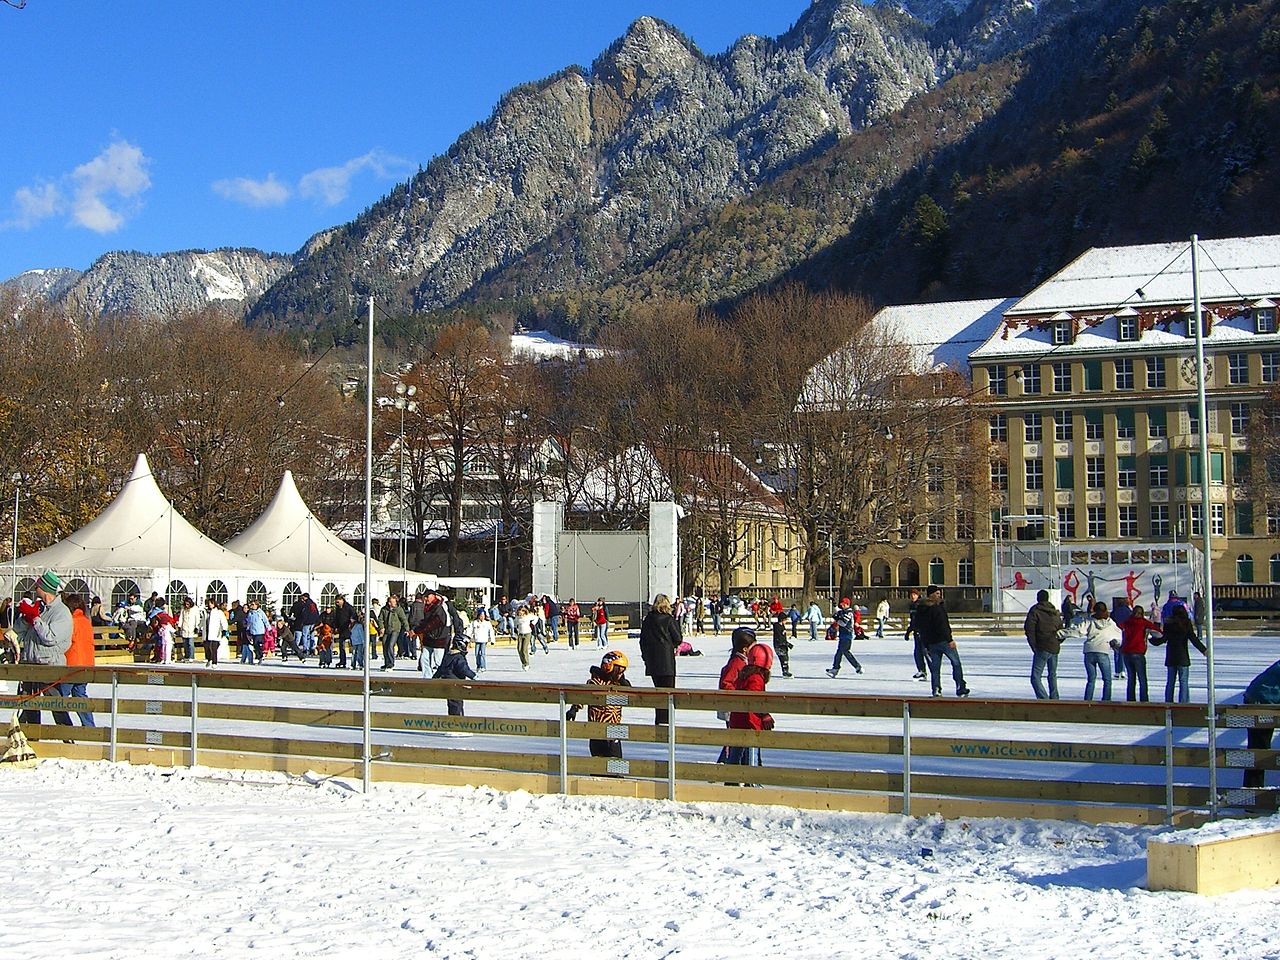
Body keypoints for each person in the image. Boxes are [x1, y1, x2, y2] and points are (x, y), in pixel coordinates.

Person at [15, 570, 73, 725]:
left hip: (50, 667)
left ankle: (68, 738)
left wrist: (35, 619)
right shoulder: (39, 608)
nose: (35, 588)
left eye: (38, 585)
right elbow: (18, 632)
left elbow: (50, 638)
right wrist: (26, 618)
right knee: (28, 705)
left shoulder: (62, 613)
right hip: (30, 664)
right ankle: (32, 740)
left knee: (56, 705)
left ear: (45, 588)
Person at [566, 650, 632, 760]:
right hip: (596, 728)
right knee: (598, 761)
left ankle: (617, 776)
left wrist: (623, 681)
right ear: (610, 667)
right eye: (619, 670)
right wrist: (574, 709)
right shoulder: (595, 683)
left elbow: (632, 693)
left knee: (616, 762)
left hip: (614, 730)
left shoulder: (618, 683)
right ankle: (597, 775)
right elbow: (583, 696)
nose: (621, 674)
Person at [726, 643, 775, 772]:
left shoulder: (745, 674)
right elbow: (755, 699)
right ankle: (751, 780)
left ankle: (732, 779)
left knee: (736, 752)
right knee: (751, 752)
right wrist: (764, 714)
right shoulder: (756, 678)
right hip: (749, 722)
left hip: (738, 720)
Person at [916, 585, 969, 698]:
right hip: (943, 641)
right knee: (956, 663)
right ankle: (960, 686)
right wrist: (949, 639)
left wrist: (925, 643)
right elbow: (943, 625)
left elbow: (920, 626)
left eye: (939, 594)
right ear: (931, 595)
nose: (939, 596)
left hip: (931, 643)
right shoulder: (937, 608)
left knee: (935, 669)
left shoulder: (921, 608)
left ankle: (936, 689)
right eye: (937, 594)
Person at [639, 593, 681, 725]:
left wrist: (646, 657)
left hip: (653, 662)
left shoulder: (648, 620)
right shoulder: (668, 619)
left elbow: (642, 641)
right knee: (669, 695)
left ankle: (659, 722)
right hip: (667, 662)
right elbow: (678, 638)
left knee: (658, 694)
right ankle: (667, 724)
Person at [1150, 605, 1206, 703]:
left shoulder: (1169, 623)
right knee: (1183, 682)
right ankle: (1184, 703)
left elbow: (1164, 638)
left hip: (1171, 656)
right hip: (1183, 656)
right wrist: (1204, 650)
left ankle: (1168, 702)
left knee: (1170, 682)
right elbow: (1193, 638)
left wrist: (1153, 641)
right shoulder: (1186, 623)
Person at [716, 627, 754, 762]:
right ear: (745, 649)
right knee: (734, 739)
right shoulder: (737, 663)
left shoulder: (743, 661)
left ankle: (725, 762)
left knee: (735, 739)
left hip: (736, 706)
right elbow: (726, 683)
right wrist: (739, 693)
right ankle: (726, 764)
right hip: (731, 706)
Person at [1243, 658, 1280, 788]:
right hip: (1261, 702)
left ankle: (1252, 793)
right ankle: (1253, 795)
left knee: (1257, 748)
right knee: (1259, 748)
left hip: (1256, 697)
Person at [62, 595, 96, 727]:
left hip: (72, 664)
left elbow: (65, 641)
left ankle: (65, 728)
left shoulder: (71, 621)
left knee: (59, 699)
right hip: (86, 664)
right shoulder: (86, 621)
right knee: (80, 695)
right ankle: (89, 726)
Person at [1024, 588, 1063, 700]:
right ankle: (1055, 698)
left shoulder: (1035, 611)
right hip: (1054, 646)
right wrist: (1058, 641)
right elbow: (1061, 630)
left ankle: (1043, 699)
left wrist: (1034, 646)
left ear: (1038, 598)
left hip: (1042, 646)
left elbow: (1029, 629)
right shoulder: (1054, 611)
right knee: (1052, 675)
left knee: (1035, 677)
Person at [1119, 604, 1161, 702]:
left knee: (1131, 678)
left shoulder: (1127, 622)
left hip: (1127, 652)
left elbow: (1118, 628)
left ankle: (1131, 700)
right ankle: (1144, 700)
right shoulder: (1144, 623)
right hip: (1138, 652)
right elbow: (1158, 633)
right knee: (1142, 678)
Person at [1081, 601, 1121, 702]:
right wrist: (1116, 642)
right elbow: (1119, 635)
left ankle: (1087, 701)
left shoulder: (1089, 621)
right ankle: (1106, 700)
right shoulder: (1110, 623)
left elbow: (1079, 631)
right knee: (1107, 680)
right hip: (1103, 651)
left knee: (1091, 679)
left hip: (1089, 651)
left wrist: (1061, 634)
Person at [432, 637, 477, 715]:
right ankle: (457, 721)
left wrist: (435, 678)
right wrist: (474, 676)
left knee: (452, 703)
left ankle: (454, 718)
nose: (468, 648)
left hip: (448, 684)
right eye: (467, 645)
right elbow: (464, 669)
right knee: (457, 704)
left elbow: (441, 668)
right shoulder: (458, 657)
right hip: (456, 685)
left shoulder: (448, 655)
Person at [825, 597, 863, 678]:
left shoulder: (849, 613)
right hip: (843, 636)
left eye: (843, 605)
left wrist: (837, 619)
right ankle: (835, 668)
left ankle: (857, 666)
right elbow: (838, 611)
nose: (842, 606)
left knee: (846, 652)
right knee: (839, 652)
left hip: (847, 636)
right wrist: (834, 604)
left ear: (847, 605)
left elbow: (843, 623)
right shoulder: (843, 611)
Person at [379, 594, 410, 670]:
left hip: (395, 630)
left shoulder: (399, 610)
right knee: (384, 643)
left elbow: (404, 619)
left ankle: (391, 663)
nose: (391, 604)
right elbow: (380, 619)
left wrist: (407, 629)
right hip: (387, 629)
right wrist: (382, 627)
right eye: (390, 602)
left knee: (390, 645)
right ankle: (386, 663)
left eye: (393, 602)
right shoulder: (384, 609)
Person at [904, 587, 926, 681]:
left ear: (918, 595)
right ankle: (922, 671)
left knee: (926, 652)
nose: (912, 596)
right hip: (916, 632)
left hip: (923, 632)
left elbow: (922, 620)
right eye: (911, 595)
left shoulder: (921, 605)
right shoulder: (912, 606)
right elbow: (913, 621)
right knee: (917, 653)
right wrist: (908, 631)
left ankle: (934, 672)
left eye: (914, 595)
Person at [201, 597, 229, 666]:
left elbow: (223, 621)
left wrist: (224, 630)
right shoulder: (206, 612)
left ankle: (214, 662)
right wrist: (198, 627)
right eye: (209, 603)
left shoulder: (218, 612)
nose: (210, 605)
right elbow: (203, 621)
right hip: (207, 632)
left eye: (211, 603)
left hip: (215, 632)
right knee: (207, 647)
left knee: (213, 648)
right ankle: (209, 659)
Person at [330, 595, 355, 669]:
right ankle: (342, 661)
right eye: (336, 602)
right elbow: (337, 618)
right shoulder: (337, 609)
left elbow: (354, 616)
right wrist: (336, 627)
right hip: (341, 629)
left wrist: (351, 624)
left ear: (342, 600)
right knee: (341, 646)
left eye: (338, 602)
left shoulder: (349, 607)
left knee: (353, 647)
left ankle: (354, 662)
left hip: (349, 629)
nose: (337, 603)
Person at [241, 600, 268, 665]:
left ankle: (260, 655)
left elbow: (265, 620)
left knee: (257, 643)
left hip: (260, 631)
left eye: (253, 604)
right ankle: (259, 656)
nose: (252, 606)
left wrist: (269, 628)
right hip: (253, 631)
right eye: (251, 604)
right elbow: (249, 622)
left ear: (257, 605)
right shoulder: (250, 612)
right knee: (255, 645)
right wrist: (248, 629)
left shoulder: (260, 612)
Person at [177, 597, 200, 663]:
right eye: (186, 604)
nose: (187, 606)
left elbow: (197, 618)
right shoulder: (183, 609)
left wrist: (196, 627)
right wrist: (179, 626)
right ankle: (186, 656)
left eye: (188, 604)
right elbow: (181, 617)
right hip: (185, 628)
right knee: (185, 644)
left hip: (191, 628)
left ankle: (191, 656)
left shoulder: (195, 609)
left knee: (190, 643)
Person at [771, 611, 792, 678]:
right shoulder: (777, 627)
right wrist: (786, 643)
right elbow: (779, 638)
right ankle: (785, 672)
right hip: (779, 645)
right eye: (785, 620)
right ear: (782, 620)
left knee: (786, 658)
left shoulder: (782, 626)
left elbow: (783, 637)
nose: (786, 621)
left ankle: (786, 671)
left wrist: (787, 643)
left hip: (783, 645)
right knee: (783, 658)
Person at [514, 604, 535, 671]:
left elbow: (536, 618)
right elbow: (515, 623)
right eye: (519, 611)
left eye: (522, 611)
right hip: (520, 634)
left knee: (524, 649)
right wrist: (515, 628)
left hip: (527, 633)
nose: (520, 613)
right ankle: (523, 662)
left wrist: (532, 624)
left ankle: (526, 663)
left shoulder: (528, 616)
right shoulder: (517, 617)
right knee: (519, 649)